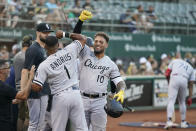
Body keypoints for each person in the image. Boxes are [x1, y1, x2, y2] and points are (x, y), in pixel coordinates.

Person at [31, 34, 88, 131]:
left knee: (58, 129)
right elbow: (83, 39)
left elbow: (36, 87)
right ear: (58, 45)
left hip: (60, 97)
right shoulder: (70, 49)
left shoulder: (44, 65)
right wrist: (65, 34)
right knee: (82, 128)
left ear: (45, 47)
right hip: (76, 94)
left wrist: (32, 77)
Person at [77, 32, 126, 131]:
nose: (98, 43)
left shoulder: (110, 64)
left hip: (99, 102)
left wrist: (121, 91)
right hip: (82, 99)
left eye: (101, 42)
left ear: (106, 45)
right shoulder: (85, 54)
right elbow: (76, 37)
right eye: (96, 41)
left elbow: (120, 82)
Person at [20, 23, 53, 131]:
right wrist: (23, 91)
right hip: (36, 92)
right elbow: (25, 71)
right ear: (38, 32)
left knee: (39, 123)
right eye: (44, 32)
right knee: (35, 124)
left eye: (48, 32)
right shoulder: (33, 49)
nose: (47, 35)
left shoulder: (42, 48)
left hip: (42, 91)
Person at [0, 59, 35, 131]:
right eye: (7, 68)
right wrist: (31, 77)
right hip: (4, 125)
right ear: (1, 70)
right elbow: (24, 95)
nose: (10, 70)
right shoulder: (4, 87)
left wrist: (11, 100)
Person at [164, 59, 195, 129]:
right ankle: (183, 122)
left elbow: (167, 73)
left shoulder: (175, 60)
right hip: (184, 80)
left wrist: (169, 83)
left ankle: (169, 121)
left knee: (171, 101)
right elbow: (191, 84)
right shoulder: (191, 68)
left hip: (175, 77)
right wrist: (190, 97)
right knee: (182, 102)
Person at [13, 35, 33, 131]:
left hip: (18, 90)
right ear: (30, 43)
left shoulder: (16, 56)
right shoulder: (28, 55)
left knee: (20, 116)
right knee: (28, 117)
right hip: (27, 90)